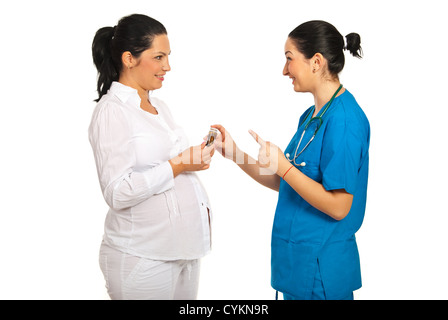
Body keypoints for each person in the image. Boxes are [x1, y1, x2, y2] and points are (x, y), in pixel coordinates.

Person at [213, 20, 370, 300]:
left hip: (321, 274)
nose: (284, 70)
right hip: (297, 268)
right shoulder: (311, 117)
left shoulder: (344, 121)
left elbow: (339, 206)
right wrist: (235, 153)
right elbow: (288, 183)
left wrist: (284, 167)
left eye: (289, 59)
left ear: (316, 62)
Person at [88, 14, 214, 300]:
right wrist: (181, 163)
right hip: (143, 256)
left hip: (183, 252)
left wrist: (194, 158)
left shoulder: (160, 106)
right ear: (129, 59)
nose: (167, 66)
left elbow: (164, 166)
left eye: (167, 56)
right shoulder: (112, 111)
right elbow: (117, 192)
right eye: (158, 57)